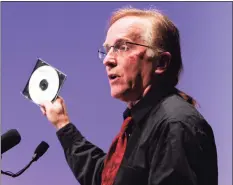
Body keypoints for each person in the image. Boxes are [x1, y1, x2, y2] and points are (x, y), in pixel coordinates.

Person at [40, 7, 218, 185]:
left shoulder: (174, 124)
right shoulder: (139, 125)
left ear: (161, 63)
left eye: (122, 47)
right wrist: (62, 123)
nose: (107, 60)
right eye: (108, 49)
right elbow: (103, 178)